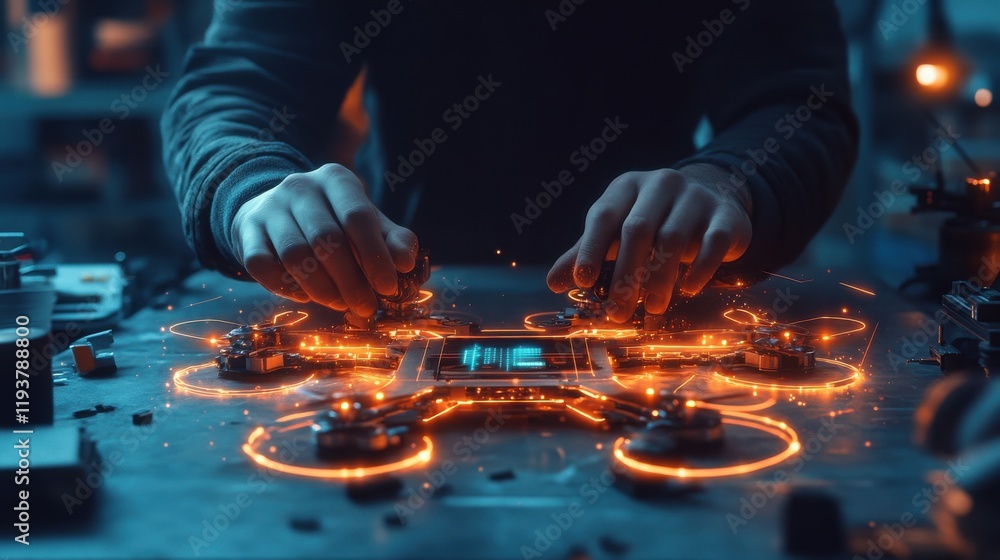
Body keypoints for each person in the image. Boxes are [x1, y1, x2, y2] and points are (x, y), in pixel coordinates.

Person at [162, 1, 858, 323]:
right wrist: (250, 184)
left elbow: (799, 100)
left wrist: (731, 179)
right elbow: (239, 85)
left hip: (669, 290)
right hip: (389, 292)